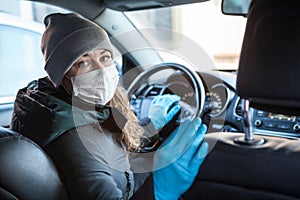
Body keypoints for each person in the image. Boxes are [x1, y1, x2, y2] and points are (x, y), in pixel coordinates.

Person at [11, 13, 208, 200]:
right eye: (83, 63)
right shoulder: (76, 140)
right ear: (60, 75)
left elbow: (114, 156)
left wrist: (150, 126)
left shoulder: (52, 108)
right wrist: (158, 190)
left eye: (105, 57)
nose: (102, 71)